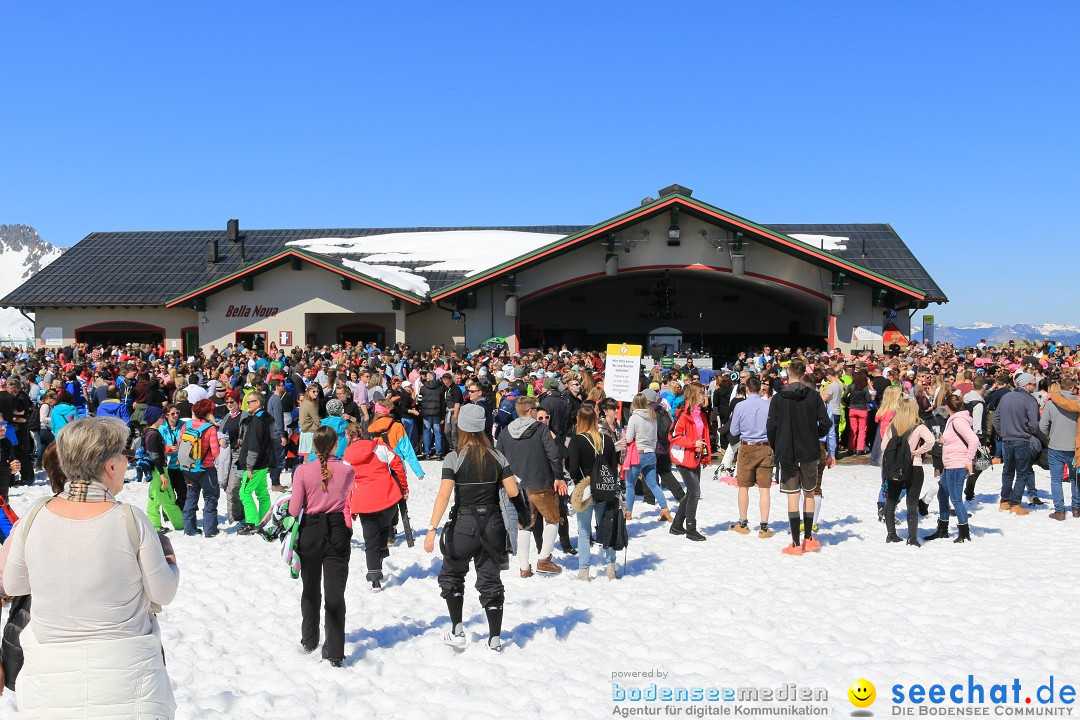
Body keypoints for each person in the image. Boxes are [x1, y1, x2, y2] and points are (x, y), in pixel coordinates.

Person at [1, 416, 179, 717]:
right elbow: (162, 592)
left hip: (50, 679)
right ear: (110, 466)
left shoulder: (35, 515)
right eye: (124, 455)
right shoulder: (129, 518)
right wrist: (170, 562)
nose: (126, 461)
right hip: (127, 678)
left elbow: (15, 585)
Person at [424, 404, 528, 653]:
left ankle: (458, 629)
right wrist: (523, 516)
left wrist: (432, 528)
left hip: (463, 523)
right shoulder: (496, 456)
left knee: (451, 575)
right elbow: (513, 491)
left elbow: (443, 495)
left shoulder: (454, 457)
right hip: (493, 524)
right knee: (491, 580)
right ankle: (495, 638)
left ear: (461, 427)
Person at [289, 426, 353, 667]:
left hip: (311, 530)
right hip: (337, 528)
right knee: (336, 593)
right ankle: (335, 652)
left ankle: (309, 639)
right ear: (336, 445)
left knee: (311, 587)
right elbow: (345, 499)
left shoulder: (303, 471)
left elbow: (295, 509)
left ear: (314, 447)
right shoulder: (348, 471)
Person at [495, 395, 567, 577]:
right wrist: (559, 476)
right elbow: (553, 454)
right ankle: (544, 560)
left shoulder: (505, 432)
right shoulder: (541, 429)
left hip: (517, 486)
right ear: (530, 411)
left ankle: (524, 568)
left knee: (524, 526)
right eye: (535, 409)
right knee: (553, 519)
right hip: (541, 483)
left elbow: (499, 460)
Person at [767, 360, 831, 556]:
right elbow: (826, 423)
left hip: (787, 451)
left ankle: (795, 543)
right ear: (804, 374)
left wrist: (777, 445)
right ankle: (808, 538)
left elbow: (771, 427)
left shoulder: (778, 399)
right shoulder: (813, 396)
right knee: (809, 493)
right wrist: (814, 433)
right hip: (810, 450)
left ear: (788, 373)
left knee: (793, 497)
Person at [344, 422, 408, 590]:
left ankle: (374, 577)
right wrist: (404, 487)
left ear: (347, 437)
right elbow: (397, 464)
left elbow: (345, 483)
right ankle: (380, 555)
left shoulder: (347, 456)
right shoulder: (379, 446)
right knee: (383, 528)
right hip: (387, 496)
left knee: (370, 539)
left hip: (364, 501)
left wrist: (349, 504)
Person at [567, 404, 620, 580]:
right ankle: (611, 566)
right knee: (606, 528)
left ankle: (584, 570)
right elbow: (613, 467)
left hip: (586, 489)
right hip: (604, 489)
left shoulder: (577, 440)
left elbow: (573, 468)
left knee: (584, 531)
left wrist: (578, 480)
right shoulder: (607, 439)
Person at [924, 394, 979, 543]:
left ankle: (963, 533)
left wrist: (968, 460)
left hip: (957, 464)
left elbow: (973, 440)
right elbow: (954, 440)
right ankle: (942, 529)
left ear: (947, 407)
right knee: (942, 495)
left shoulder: (959, 420)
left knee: (955, 499)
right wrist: (941, 439)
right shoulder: (953, 420)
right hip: (949, 464)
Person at [881, 397, 934, 545]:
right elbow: (931, 441)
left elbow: (884, 447)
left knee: (891, 501)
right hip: (914, 466)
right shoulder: (919, 426)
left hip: (895, 468)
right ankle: (912, 538)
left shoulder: (892, 426)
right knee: (912, 504)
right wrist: (918, 451)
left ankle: (891, 534)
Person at [727, 376, 773, 538]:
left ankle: (743, 523)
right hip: (765, 447)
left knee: (744, 486)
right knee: (764, 489)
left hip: (747, 447)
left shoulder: (740, 406)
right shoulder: (768, 405)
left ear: (746, 389)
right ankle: (764, 527)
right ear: (761, 388)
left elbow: (733, 431)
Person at [669, 382, 711, 542]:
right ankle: (691, 529)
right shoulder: (683, 414)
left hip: (696, 456)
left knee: (691, 493)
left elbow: (704, 435)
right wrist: (693, 443)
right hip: (683, 457)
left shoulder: (700, 413)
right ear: (693, 395)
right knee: (695, 493)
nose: (704, 396)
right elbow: (673, 436)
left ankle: (677, 525)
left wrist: (705, 455)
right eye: (701, 393)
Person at [994, 372, 1040, 515]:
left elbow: (996, 419)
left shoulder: (1005, 397)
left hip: (1007, 439)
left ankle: (1005, 501)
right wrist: (1026, 431)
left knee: (1008, 471)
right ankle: (1015, 504)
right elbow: (1034, 424)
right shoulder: (1030, 400)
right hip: (1022, 439)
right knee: (1022, 472)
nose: (1035, 386)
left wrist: (1004, 432)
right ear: (1026, 384)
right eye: (1033, 384)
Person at [624, 393, 671, 522]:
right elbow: (655, 438)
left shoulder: (634, 417)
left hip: (638, 454)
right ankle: (665, 510)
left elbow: (628, 438)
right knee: (653, 484)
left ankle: (628, 513)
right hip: (651, 453)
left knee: (630, 485)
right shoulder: (652, 416)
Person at [1039, 377, 1079, 520]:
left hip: (1056, 445)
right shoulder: (1077, 403)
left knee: (1056, 480)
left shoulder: (1051, 404)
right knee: (1076, 479)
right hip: (1076, 448)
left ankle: (1060, 511)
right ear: (1073, 388)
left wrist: (1050, 434)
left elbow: (1042, 426)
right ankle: (1077, 508)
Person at [180, 398, 221, 537]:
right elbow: (215, 452)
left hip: (189, 467)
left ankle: (190, 529)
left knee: (191, 496)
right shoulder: (210, 429)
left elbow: (181, 443)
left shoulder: (187, 425)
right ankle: (210, 530)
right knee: (210, 497)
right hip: (206, 469)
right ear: (208, 412)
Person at [236, 391, 274, 535]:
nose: (247, 404)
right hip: (263, 462)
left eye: (250, 401)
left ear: (258, 403)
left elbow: (254, 446)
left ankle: (251, 523)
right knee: (262, 493)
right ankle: (265, 520)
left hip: (255, 465)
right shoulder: (266, 418)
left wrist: (249, 466)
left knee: (244, 493)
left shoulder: (257, 421)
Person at [143, 406, 184, 534]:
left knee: (168, 498)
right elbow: (155, 456)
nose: (163, 418)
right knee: (155, 499)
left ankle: (180, 524)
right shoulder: (153, 434)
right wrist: (161, 473)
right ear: (155, 418)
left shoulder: (153, 433)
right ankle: (155, 526)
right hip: (158, 471)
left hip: (161, 470)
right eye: (161, 416)